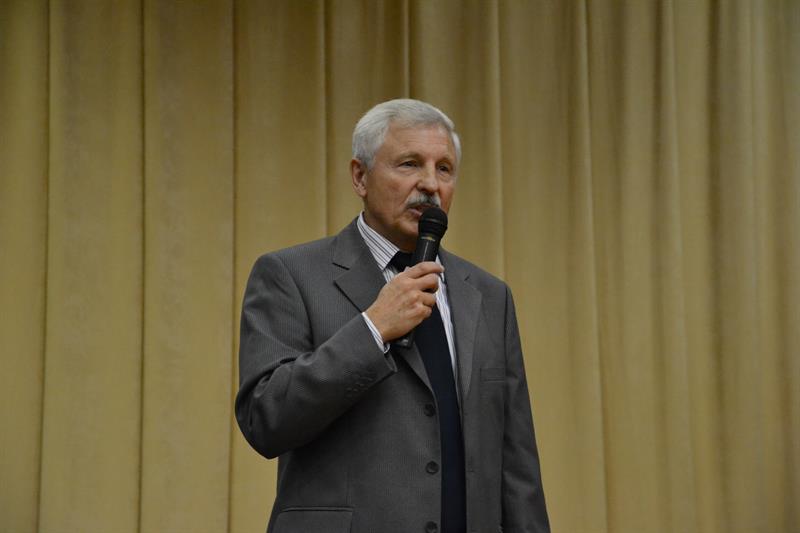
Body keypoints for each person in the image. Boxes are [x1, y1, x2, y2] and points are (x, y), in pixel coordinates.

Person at [235, 99, 550, 533]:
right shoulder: (289, 274)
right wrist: (372, 329)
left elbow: (517, 466)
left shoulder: (489, 296)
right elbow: (265, 418)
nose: (430, 184)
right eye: (409, 164)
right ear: (360, 177)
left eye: (444, 169)